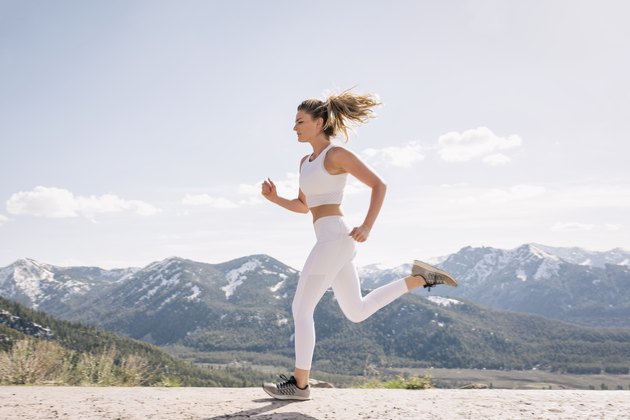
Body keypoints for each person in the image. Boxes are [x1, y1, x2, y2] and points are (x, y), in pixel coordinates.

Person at [260, 88, 457, 400]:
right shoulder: (304, 162)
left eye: (300, 121)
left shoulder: (336, 155)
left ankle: (299, 385)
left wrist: (367, 225)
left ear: (320, 122)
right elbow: (303, 205)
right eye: (294, 122)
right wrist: (274, 199)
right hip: (329, 238)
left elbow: (379, 184)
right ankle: (420, 277)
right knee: (356, 310)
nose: (294, 127)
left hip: (335, 238)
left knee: (300, 307)